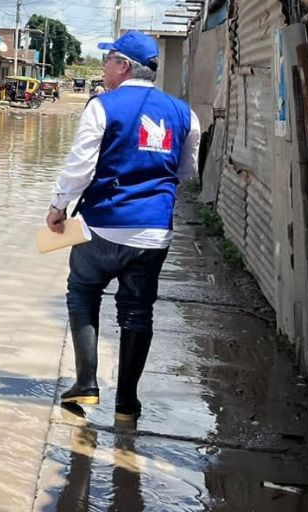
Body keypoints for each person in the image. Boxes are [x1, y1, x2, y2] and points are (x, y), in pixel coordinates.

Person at [45, 31, 200, 421]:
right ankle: (127, 403)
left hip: (104, 225)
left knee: (82, 293)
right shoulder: (185, 113)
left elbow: (80, 167)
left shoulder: (103, 106)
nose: (104, 68)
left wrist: (58, 207)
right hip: (153, 232)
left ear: (124, 65)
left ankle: (86, 386)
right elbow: (187, 172)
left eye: (108, 60)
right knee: (137, 312)